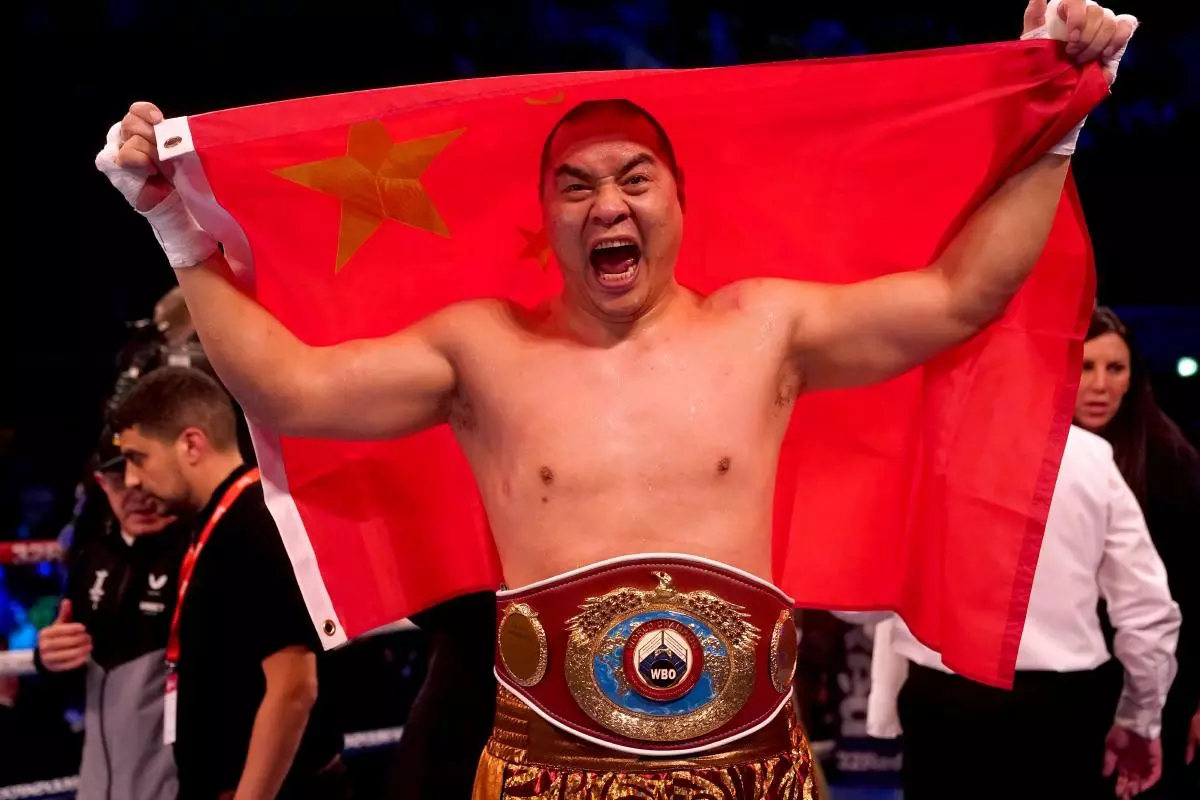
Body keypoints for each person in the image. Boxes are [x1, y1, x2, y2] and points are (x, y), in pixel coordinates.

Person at [100, 2, 1135, 795]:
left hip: (751, 763)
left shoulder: (766, 328)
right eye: (577, 184)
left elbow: (963, 295)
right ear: (545, 213)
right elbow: (288, 386)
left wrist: (1057, 119)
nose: (608, 204)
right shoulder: (482, 350)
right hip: (547, 768)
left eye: (635, 179)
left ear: (679, 201)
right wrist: (174, 225)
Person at [847, 424, 1181, 800]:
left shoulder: (919, 451)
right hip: (1053, 712)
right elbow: (1146, 610)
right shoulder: (1086, 455)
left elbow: (856, 604)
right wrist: (1140, 719)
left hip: (951, 707)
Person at [108, 367, 347, 800]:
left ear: (191, 444)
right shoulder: (217, 522)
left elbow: (294, 687)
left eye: (138, 457)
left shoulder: (255, 524)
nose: (131, 480)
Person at [1076, 306, 1200, 797]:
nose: (1100, 385)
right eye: (1085, 367)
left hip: (1162, 686)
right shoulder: (1032, 458)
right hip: (1071, 686)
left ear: (1132, 378)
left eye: (1115, 368)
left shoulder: (1171, 460)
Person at [34, 427, 187, 800]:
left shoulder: (203, 556)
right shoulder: (91, 558)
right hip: (97, 784)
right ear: (103, 484)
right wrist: (50, 658)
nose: (137, 491)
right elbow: (76, 687)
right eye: (120, 477)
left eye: (145, 471)